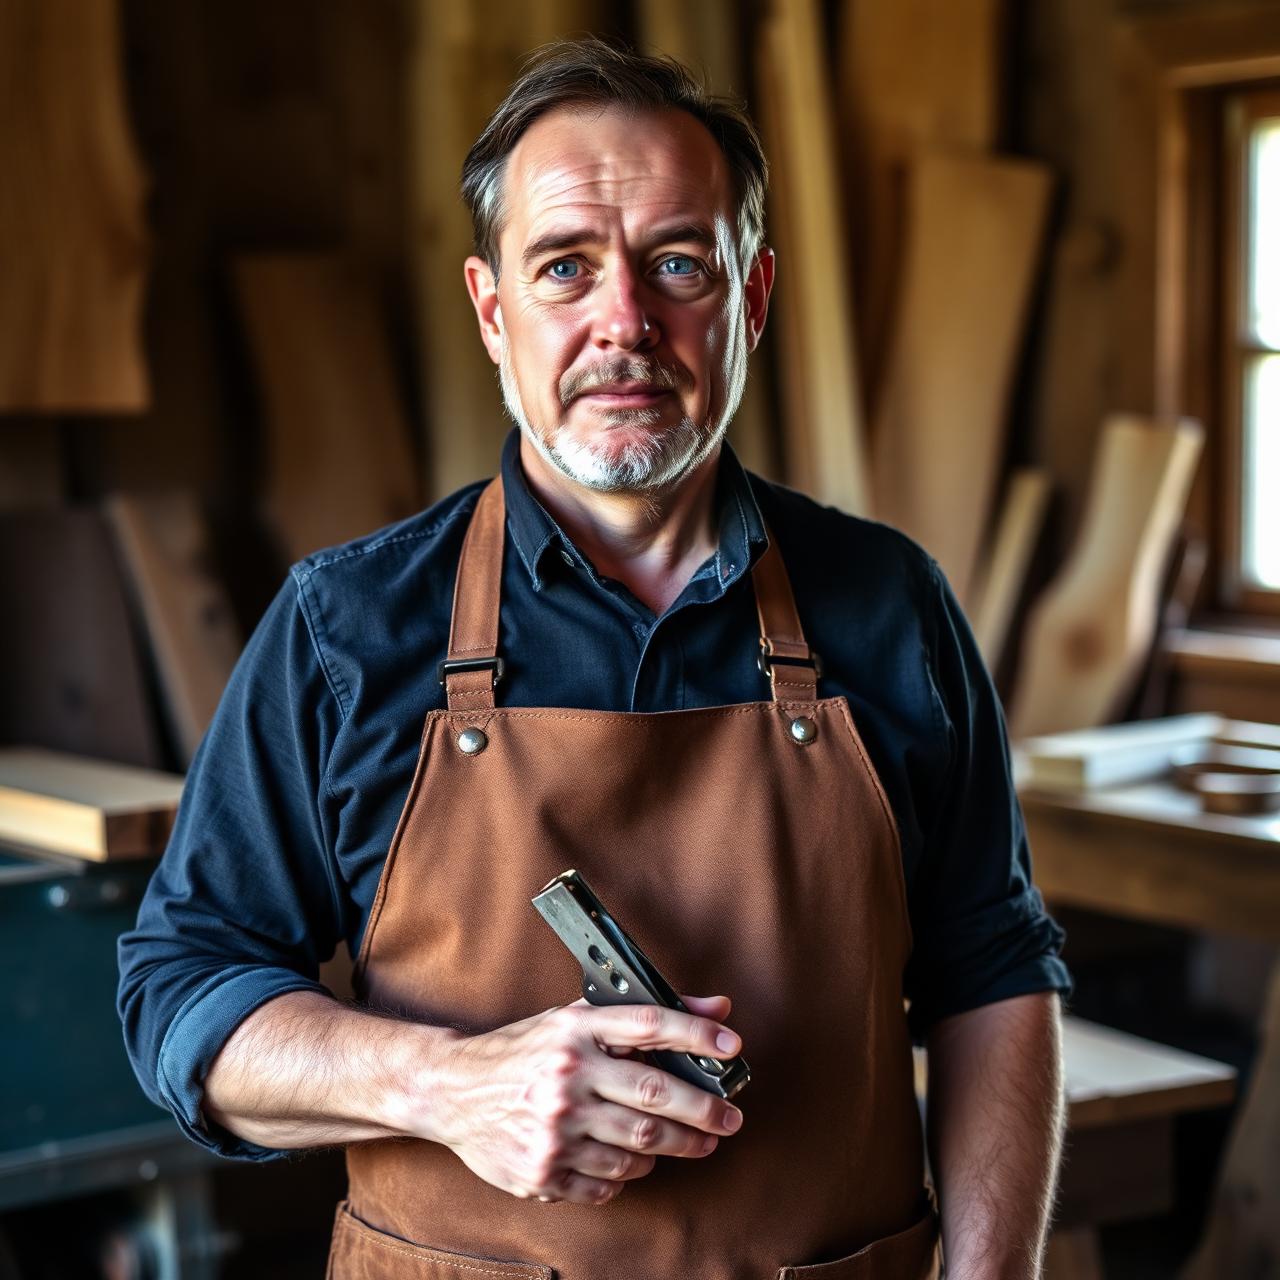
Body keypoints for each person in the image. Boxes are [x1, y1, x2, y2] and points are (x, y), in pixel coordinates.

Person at [118, 38, 1071, 1280]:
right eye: (565, 267)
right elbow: (180, 993)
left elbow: (992, 973)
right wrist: (451, 1084)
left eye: (678, 263)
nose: (624, 320)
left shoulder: (890, 605)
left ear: (755, 295)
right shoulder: (346, 627)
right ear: (490, 307)